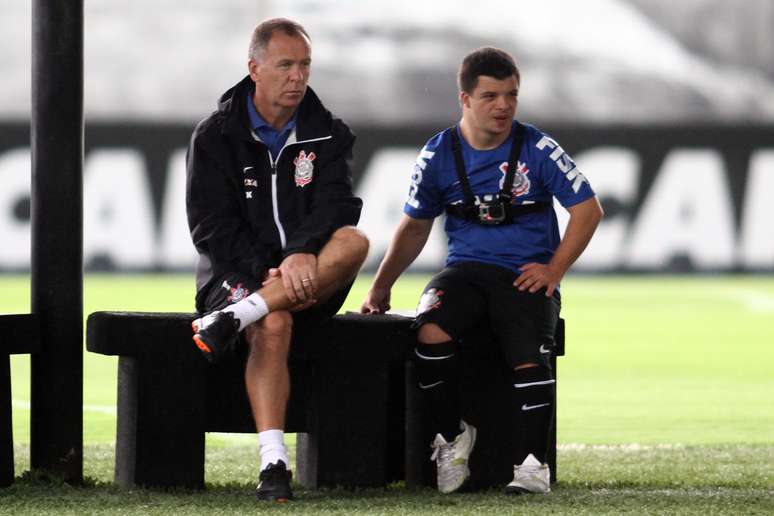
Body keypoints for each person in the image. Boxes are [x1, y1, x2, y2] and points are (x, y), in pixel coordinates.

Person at [361, 47, 603, 495]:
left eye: (511, 94)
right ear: (465, 99)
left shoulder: (538, 147)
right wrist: (380, 287)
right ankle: (452, 439)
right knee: (429, 331)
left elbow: (588, 211)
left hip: (523, 275)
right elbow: (415, 227)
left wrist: (553, 270)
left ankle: (532, 466)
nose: (504, 106)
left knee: (527, 348)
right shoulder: (437, 155)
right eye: (491, 96)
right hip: (466, 273)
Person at [186, 18, 368, 502]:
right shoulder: (215, 135)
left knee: (354, 241)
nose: (297, 76)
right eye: (285, 65)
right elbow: (210, 228)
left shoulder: (329, 133)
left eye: (304, 64)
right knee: (275, 322)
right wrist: (267, 274)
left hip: (308, 273)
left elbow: (336, 206)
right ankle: (274, 463)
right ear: (254, 69)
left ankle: (233, 319)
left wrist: (298, 253)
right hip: (235, 276)